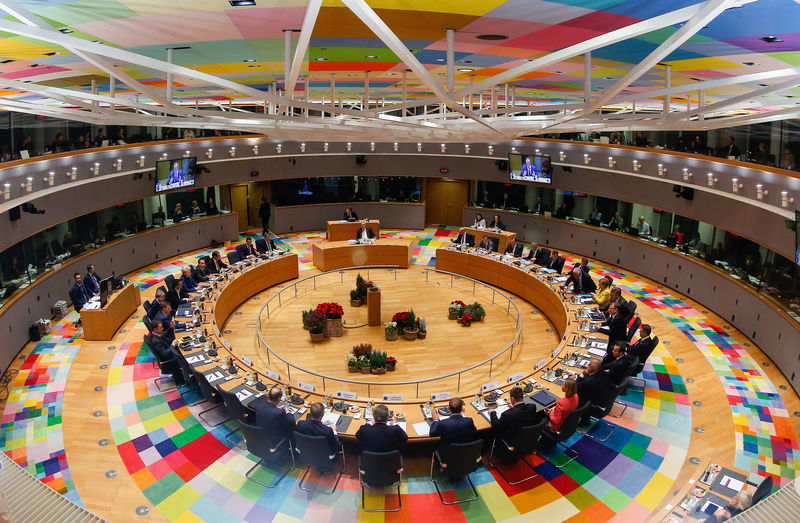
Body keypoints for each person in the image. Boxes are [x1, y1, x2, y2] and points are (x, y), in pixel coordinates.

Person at [253, 387, 296, 462]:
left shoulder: (258, 406)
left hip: (261, 437)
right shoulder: (279, 413)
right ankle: (294, 455)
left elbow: (269, 412)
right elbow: (292, 422)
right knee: (293, 432)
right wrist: (288, 412)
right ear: (279, 399)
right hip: (274, 441)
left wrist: (277, 409)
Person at [295, 402, 341, 469]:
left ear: (310, 413)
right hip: (326, 457)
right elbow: (335, 445)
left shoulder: (301, 424)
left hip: (306, 453)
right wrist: (334, 431)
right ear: (323, 414)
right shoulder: (327, 430)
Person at [147, 321, 184, 386]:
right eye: (161, 328)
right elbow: (165, 354)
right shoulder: (155, 341)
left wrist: (171, 327)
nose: (163, 329)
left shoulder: (156, 334)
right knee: (185, 356)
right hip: (168, 362)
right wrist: (172, 345)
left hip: (170, 356)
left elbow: (164, 333)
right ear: (155, 329)